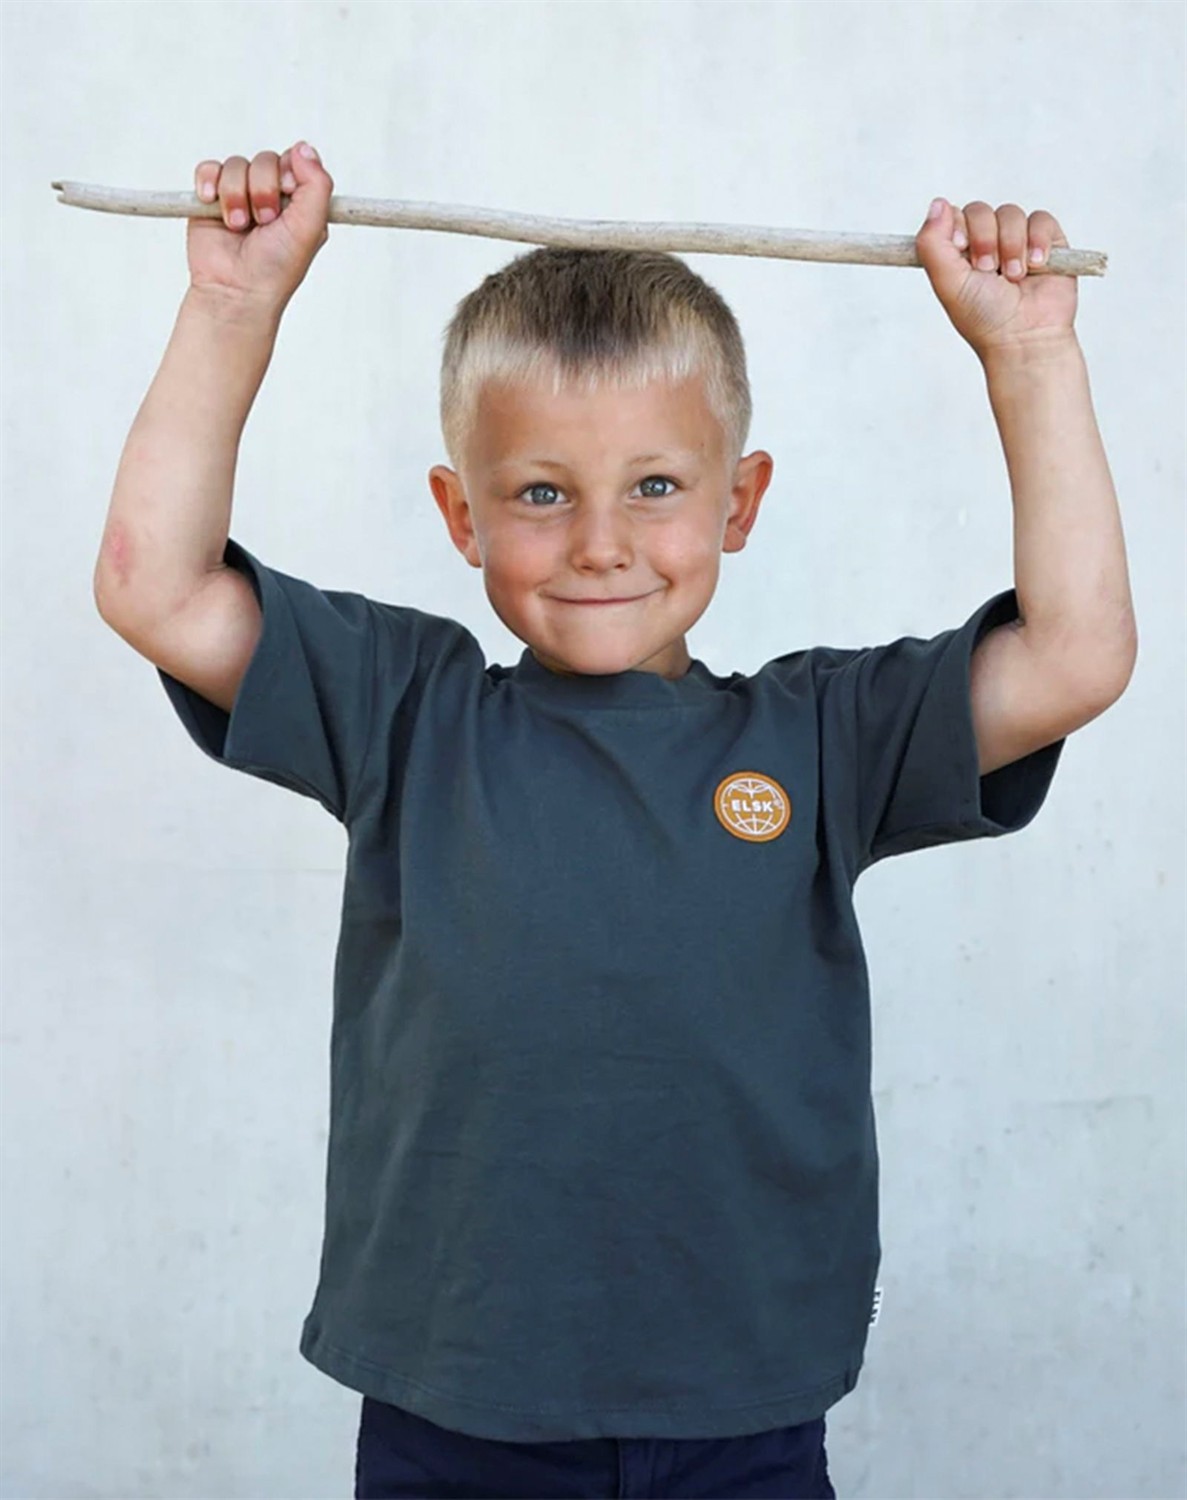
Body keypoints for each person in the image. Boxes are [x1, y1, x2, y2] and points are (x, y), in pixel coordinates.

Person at [93, 140, 1137, 1500]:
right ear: (460, 513)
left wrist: (1033, 360)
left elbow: (1076, 656)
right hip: (455, 1405)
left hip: (741, 1409)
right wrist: (232, 307)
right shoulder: (405, 711)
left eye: (655, 485)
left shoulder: (822, 735)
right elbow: (156, 588)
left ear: (738, 502)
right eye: (542, 492)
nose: (599, 541)